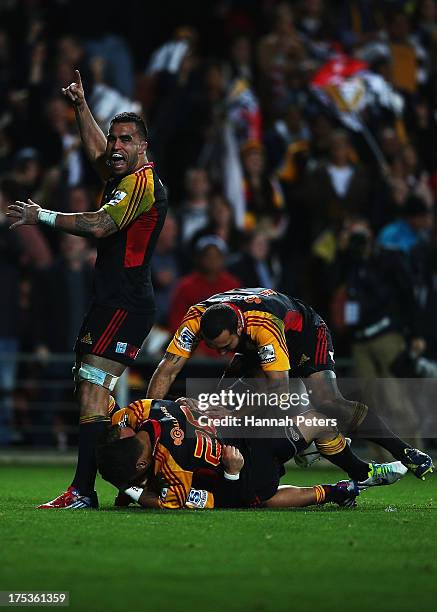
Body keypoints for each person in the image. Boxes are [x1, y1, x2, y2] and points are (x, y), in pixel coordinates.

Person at [7, 70, 167, 509]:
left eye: (126, 140)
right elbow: (97, 153)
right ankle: (130, 481)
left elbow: (100, 224)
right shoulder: (120, 173)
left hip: (126, 303)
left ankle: (85, 489)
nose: (116, 146)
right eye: (114, 138)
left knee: (95, 391)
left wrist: (42, 215)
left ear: (143, 146)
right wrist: (81, 106)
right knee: (91, 392)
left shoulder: (143, 184)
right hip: (111, 302)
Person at [147, 288, 433, 480]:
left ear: (238, 328)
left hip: (304, 334)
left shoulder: (263, 327)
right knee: (224, 402)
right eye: (213, 347)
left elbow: (279, 394)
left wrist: (291, 434)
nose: (221, 353)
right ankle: (358, 472)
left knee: (327, 403)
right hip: (256, 344)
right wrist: (152, 417)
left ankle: (404, 450)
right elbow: (166, 371)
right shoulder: (195, 319)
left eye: (225, 346)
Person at [97, 396, 395, 510]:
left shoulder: (169, 466)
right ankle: (337, 490)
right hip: (243, 460)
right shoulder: (146, 409)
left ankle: (358, 473)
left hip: (246, 433)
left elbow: (163, 503)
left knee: (317, 421)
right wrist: (231, 471)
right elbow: (220, 501)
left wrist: (129, 488)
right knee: (256, 497)